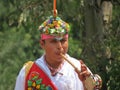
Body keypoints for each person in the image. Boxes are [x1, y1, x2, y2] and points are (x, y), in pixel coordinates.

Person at [14, 16, 102, 90]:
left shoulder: (79, 69)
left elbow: (94, 86)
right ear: (42, 44)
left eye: (63, 41)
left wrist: (88, 83)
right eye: (53, 41)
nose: (60, 46)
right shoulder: (29, 72)